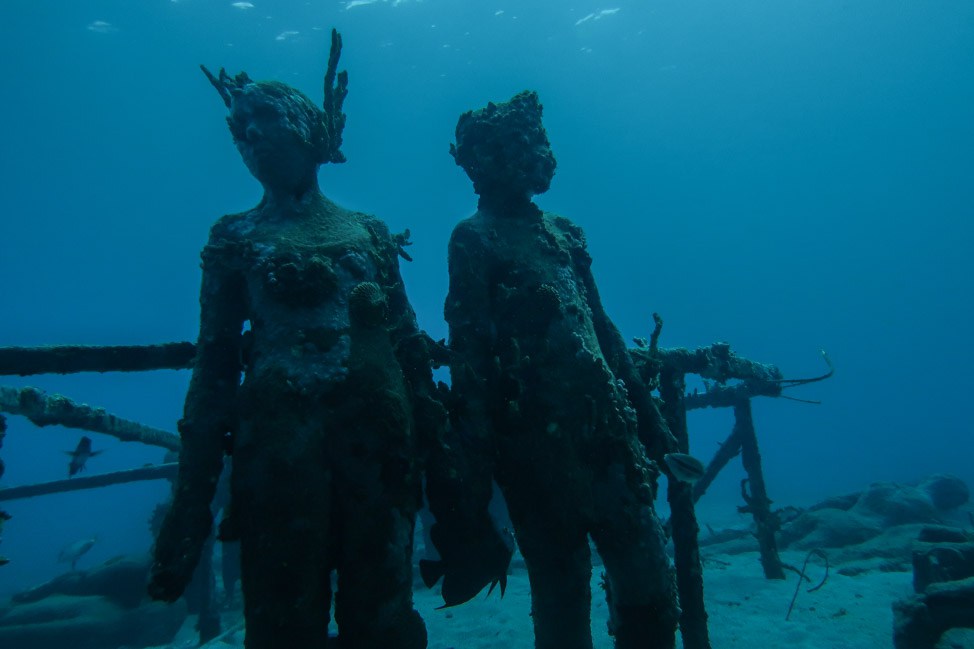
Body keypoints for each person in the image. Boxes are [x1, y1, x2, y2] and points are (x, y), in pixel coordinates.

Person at [148, 30, 508, 649]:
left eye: (264, 118)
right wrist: (188, 518)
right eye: (239, 127)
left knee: (384, 614)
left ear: (310, 129)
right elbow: (210, 376)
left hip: (380, 454)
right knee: (282, 620)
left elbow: (412, 357)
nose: (250, 134)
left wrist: (451, 492)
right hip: (277, 459)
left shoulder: (367, 233)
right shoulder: (234, 238)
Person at [444, 90, 679, 649]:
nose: (535, 153)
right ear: (481, 160)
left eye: (536, 140)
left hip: (608, 438)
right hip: (535, 452)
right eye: (517, 143)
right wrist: (474, 476)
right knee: (559, 589)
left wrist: (649, 420)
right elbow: (470, 358)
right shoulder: (474, 239)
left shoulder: (566, 234)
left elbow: (600, 326)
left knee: (647, 578)